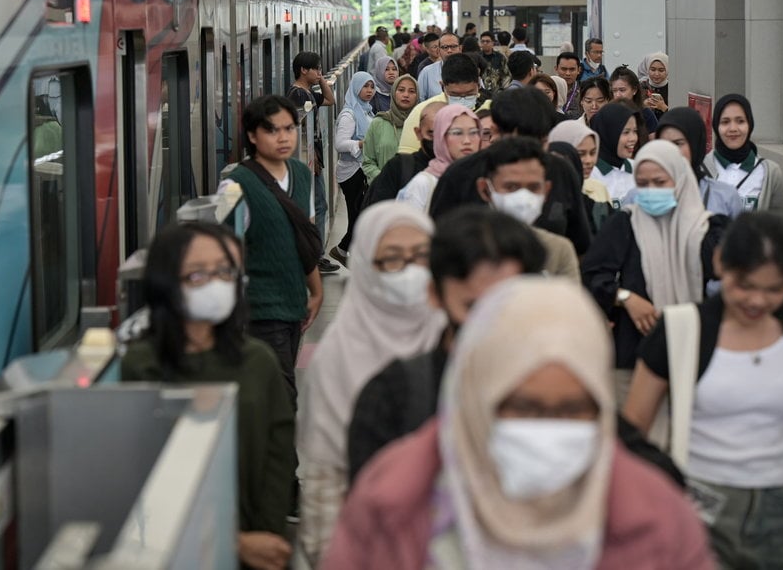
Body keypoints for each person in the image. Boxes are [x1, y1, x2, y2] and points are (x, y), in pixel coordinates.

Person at [323, 278, 715, 570]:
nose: (548, 429)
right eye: (523, 406)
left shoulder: (658, 521)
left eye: (573, 409)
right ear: (478, 400)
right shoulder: (391, 503)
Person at [120, 222, 295, 570]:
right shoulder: (139, 367)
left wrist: (266, 533)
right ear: (166, 285)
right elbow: (143, 477)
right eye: (197, 276)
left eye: (223, 272)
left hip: (259, 543)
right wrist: (229, 542)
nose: (215, 284)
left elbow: (279, 456)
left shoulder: (257, 360)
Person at [624, 212, 783, 569]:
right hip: (699, 500)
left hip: (782, 505)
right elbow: (634, 424)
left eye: (774, 289)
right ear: (720, 264)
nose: (757, 301)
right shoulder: (681, 328)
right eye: (745, 285)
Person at [346, 207, 546, 483]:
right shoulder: (393, 395)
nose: (491, 322)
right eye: (472, 306)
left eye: (506, 304)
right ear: (434, 294)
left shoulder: (564, 389)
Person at [297, 202, 447, 566]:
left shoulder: (452, 338)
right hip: (368, 542)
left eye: (421, 256)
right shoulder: (337, 357)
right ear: (364, 268)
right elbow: (323, 478)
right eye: (392, 259)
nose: (410, 271)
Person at [581, 140, 728, 404]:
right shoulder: (625, 222)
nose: (650, 191)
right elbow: (590, 275)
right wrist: (625, 298)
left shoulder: (705, 230)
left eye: (660, 182)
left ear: (680, 180)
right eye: (643, 183)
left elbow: (726, 274)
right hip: (633, 355)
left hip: (691, 350)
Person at [226, 95, 323, 406]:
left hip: (295, 303)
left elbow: (304, 237)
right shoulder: (237, 185)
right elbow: (229, 254)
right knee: (281, 395)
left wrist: (316, 292)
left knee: (280, 388)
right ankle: (280, 455)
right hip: (259, 309)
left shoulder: (301, 174)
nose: (284, 137)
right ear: (252, 136)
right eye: (272, 130)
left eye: (289, 128)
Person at [429, 87, 593, 257]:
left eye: (540, 143)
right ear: (496, 132)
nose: (529, 153)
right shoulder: (461, 175)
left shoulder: (561, 172)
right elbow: (439, 245)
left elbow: (579, 243)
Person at [475, 137, 581, 281]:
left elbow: (570, 301)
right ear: (485, 190)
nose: (523, 196)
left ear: (546, 190)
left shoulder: (558, 250)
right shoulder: (462, 248)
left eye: (533, 188)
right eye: (511, 187)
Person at [621, 108, 743, 219]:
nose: (670, 151)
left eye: (678, 143)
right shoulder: (637, 197)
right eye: (664, 144)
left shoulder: (724, 197)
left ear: (695, 144)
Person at [286, 51, 339, 274]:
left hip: (312, 158)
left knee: (318, 205)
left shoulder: (307, 93)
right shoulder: (298, 95)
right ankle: (314, 256)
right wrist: (312, 157)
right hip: (308, 161)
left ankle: (316, 254)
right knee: (317, 205)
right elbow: (301, 132)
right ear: (303, 70)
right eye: (315, 68)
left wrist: (322, 80)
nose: (319, 72)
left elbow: (330, 100)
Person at [703, 93, 783, 215]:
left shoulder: (770, 172)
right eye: (725, 121)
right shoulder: (701, 167)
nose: (733, 128)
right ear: (716, 126)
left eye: (740, 121)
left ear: (750, 124)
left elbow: (779, 228)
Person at [329, 72, 375, 267]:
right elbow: (339, 144)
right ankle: (343, 250)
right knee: (358, 215)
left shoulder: (366, 110)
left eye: (372, 87)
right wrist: (362, 144)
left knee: (360, 215)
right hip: (351, 172)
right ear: (356, 88)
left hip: (360, 168)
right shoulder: (349, 114)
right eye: (365, 87)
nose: (369, 91)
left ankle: (344, 250)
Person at [397, 105, 479, 212]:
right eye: (457, 133)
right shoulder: (423, 184)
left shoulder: (486, 178)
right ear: (441, 137)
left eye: (473, 132)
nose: (467, 141)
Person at [397, 54, 480, 154]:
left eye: (469, 94)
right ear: (442, 86)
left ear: (479, 85)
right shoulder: (422, 113)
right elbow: (406, 159)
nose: (462, 101)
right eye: (455, 95)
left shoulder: (487, 109)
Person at [363, 101, 440, 208]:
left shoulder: (461, 170)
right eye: (431, 133)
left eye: (444, 132)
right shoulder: (399, 168)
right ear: (418, 132)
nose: (438, 139)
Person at [548, 118, 614, 233]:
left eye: (593, 153)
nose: (589, 160)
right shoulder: (544, 193)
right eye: (580, 154)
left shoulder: (599, 189)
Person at [362, 73, 417, 183]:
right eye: (401, 90)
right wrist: (384, 178)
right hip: (384, 191)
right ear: (393, 93)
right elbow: (368, 162)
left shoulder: (421, 124)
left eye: (411, 91)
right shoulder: (378, 123)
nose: (406, 95)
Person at [588, 103, 638, 209]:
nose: (633, 138)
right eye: (626, 132)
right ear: (608, 133)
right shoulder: (590, 174)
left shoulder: (638, 169)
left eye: (635, 131)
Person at [610, 66, 659, 134]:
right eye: (614, 90)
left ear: (634, 90)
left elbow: (654, 141)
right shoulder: (608, 114)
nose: (618, 95)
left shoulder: (646, 114)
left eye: (622, 90)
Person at [417, 33, 462, 100]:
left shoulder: (470, 70)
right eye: (445, 47)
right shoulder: (427, 72)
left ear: (460, 48)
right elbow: (420, 100)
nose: (449, 50)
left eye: (453, 46)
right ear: (439, 51)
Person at [555, 51, 583, 117]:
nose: (568, 73)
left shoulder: (584, 90)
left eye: (572, 69)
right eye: (564, 69)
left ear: (579, 70)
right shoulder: (549, 89)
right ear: (556, 69)